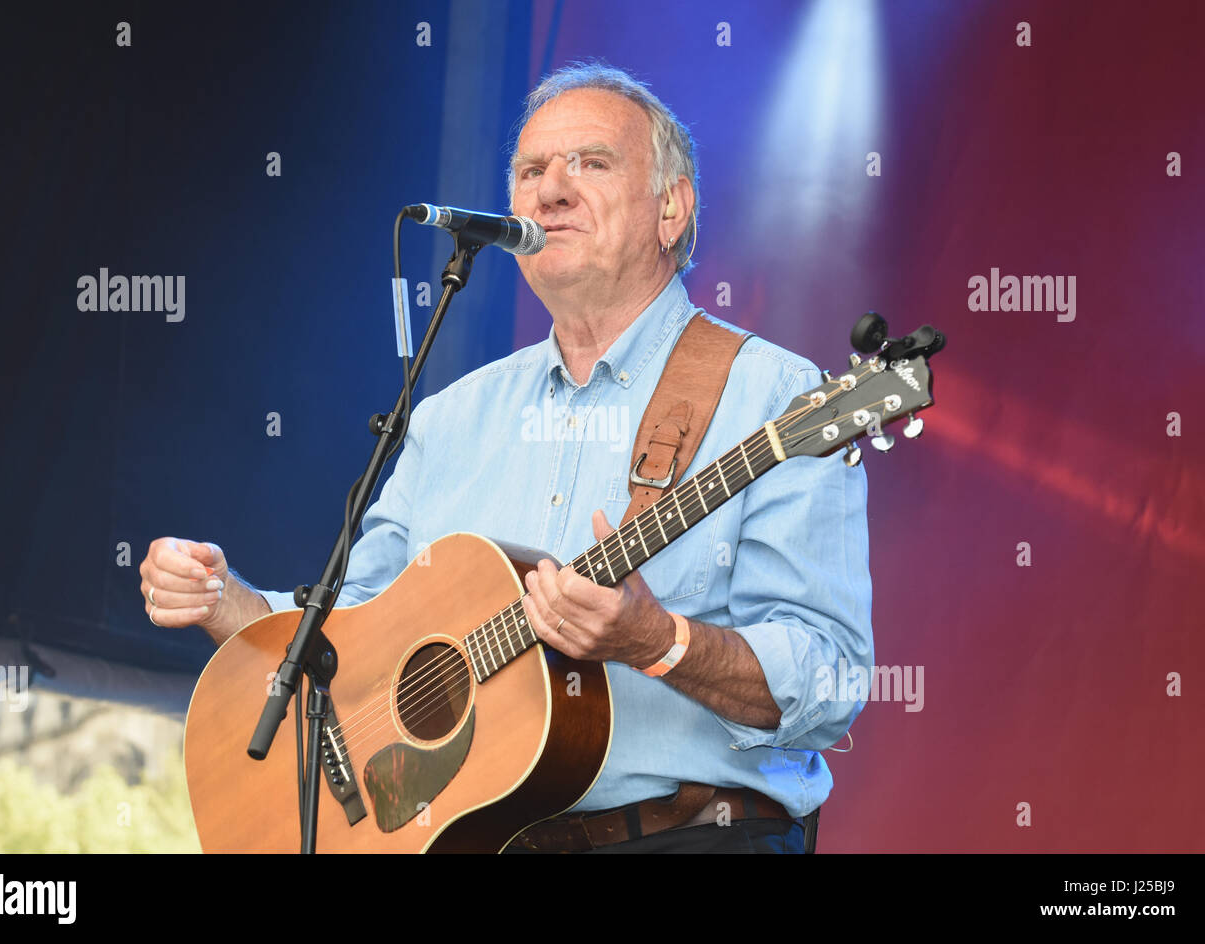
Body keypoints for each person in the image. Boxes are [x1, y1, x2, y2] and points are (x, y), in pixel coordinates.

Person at [140, 63, 873, 854]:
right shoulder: (453, 417)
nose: (550, 191)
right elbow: (345, 639)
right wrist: (227, 602)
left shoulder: (773, 396)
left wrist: (660, 640)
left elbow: (830, 680)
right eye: (530, 171)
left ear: (672, 209)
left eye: (590, 163)